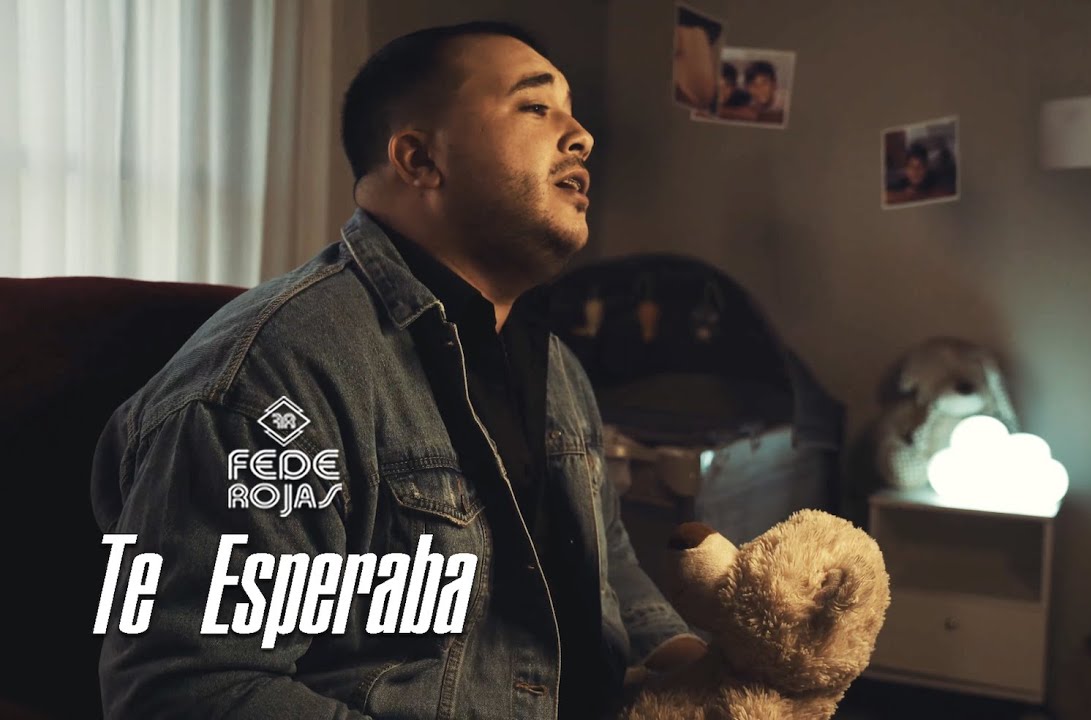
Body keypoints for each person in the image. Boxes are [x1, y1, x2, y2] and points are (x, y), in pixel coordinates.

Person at [91, 22, 704, 719]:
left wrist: (686, 661)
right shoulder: (273, 375)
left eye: (571, 111)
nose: (582, 137)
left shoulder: (555, 364)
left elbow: (606, 562)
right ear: (419, 159)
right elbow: (186, 690)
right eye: (536, 106)